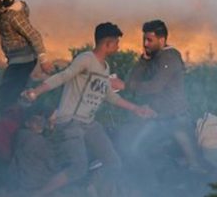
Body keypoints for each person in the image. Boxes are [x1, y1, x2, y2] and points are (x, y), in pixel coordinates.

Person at [21, 22, 155, 196]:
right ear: (107, 43)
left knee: (113, 162)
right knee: (78, 167)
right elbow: (63, 76)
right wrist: (36, 91)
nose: (118, 47)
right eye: (116, 43)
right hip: (71, 121)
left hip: (88, 124)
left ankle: (95, 190)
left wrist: (135, 109)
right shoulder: (86, 59)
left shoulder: (105, 68)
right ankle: (39, 194)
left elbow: (110, 96)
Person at [124, 19, 202, 172]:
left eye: (149, 40)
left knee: (191, 162)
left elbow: (155, 87)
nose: (145, 44)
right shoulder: (153, 57)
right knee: (137, 150)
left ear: (162, 39)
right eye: (144, 39)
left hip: (174, 117)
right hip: (160, 116)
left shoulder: (169, 57)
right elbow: (132, 79)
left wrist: (127, 86)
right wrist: (143, 61)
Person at [0, 0, 53, 114]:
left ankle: (32, 115)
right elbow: (2, 17)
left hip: (22, 61)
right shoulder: (6, 14)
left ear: (3, 0)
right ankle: (23, 117)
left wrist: (43, 60)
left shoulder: (14, 16)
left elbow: (34, 35)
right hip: (19, 61)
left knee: (5, 95)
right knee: (14, 93)